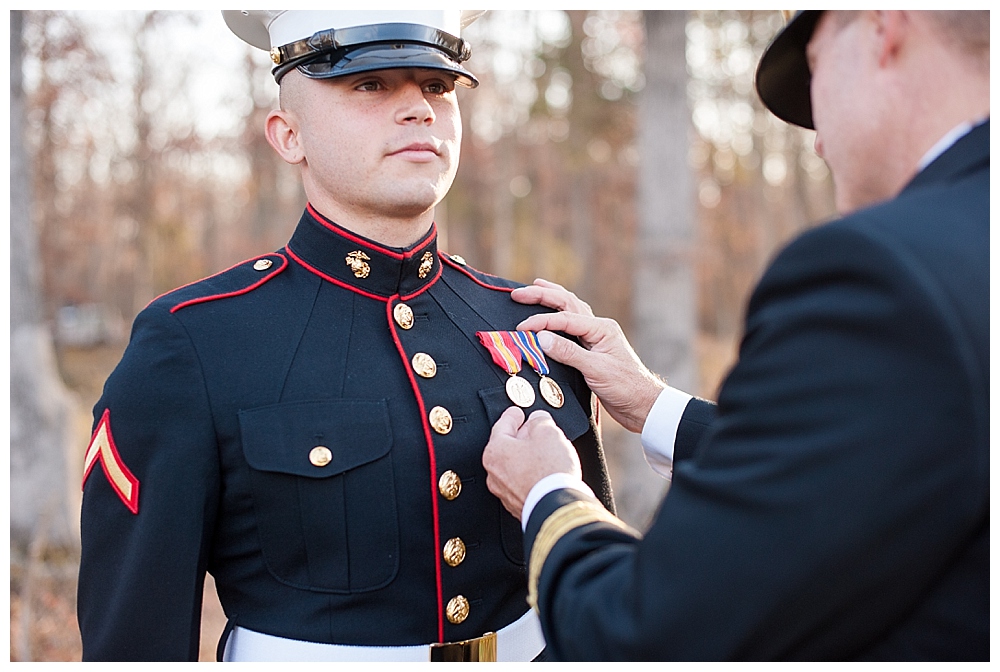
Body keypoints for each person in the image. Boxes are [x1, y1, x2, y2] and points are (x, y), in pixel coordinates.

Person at [77, 10, 614, 661]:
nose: (418, 108)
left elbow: (592, 597)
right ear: (287, 135)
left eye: (437, 86)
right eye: (371, 85)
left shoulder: (529, 322)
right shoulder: (192, 343)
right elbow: (135, 636)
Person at [482, 10, 988, 660]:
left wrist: (550, 492)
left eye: (813, 72)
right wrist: (653, 405)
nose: (817, 143)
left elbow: (651, 630)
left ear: (881, 28)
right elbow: (888, 456)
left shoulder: (883, 271)